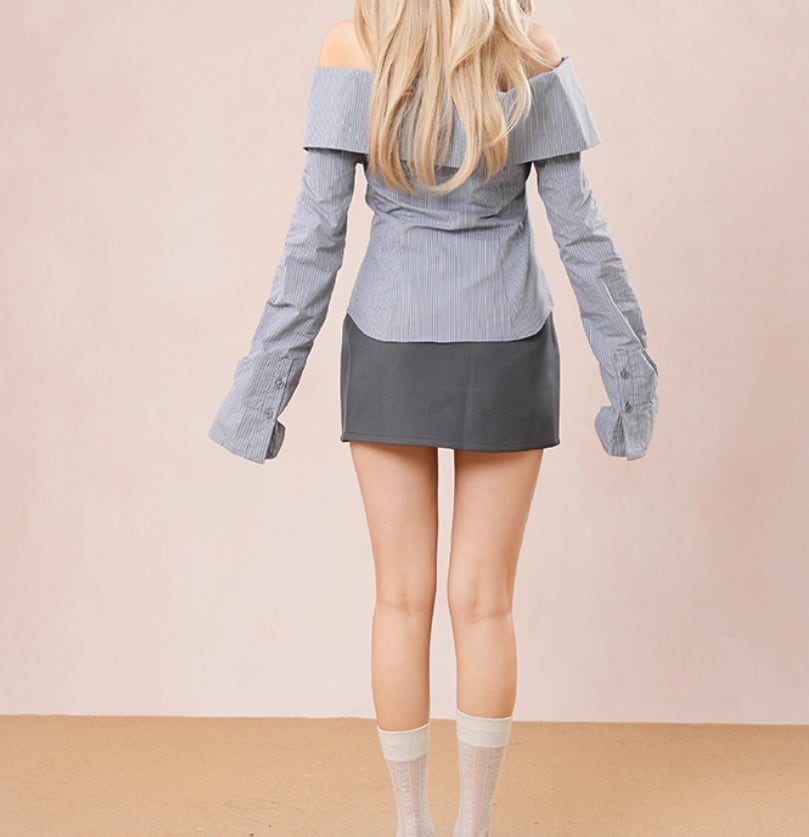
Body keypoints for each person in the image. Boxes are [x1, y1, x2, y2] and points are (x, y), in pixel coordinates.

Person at [208, 2, 660, 835]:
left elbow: (315, 239)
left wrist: (259, 396)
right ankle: (472, 828)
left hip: (390, 343)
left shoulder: (351, 47)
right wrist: (630, 381)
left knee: (400, 599)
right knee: (483, 603)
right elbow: (582, 238)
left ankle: (410, 826)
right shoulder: (529, 51)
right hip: (508, 343)